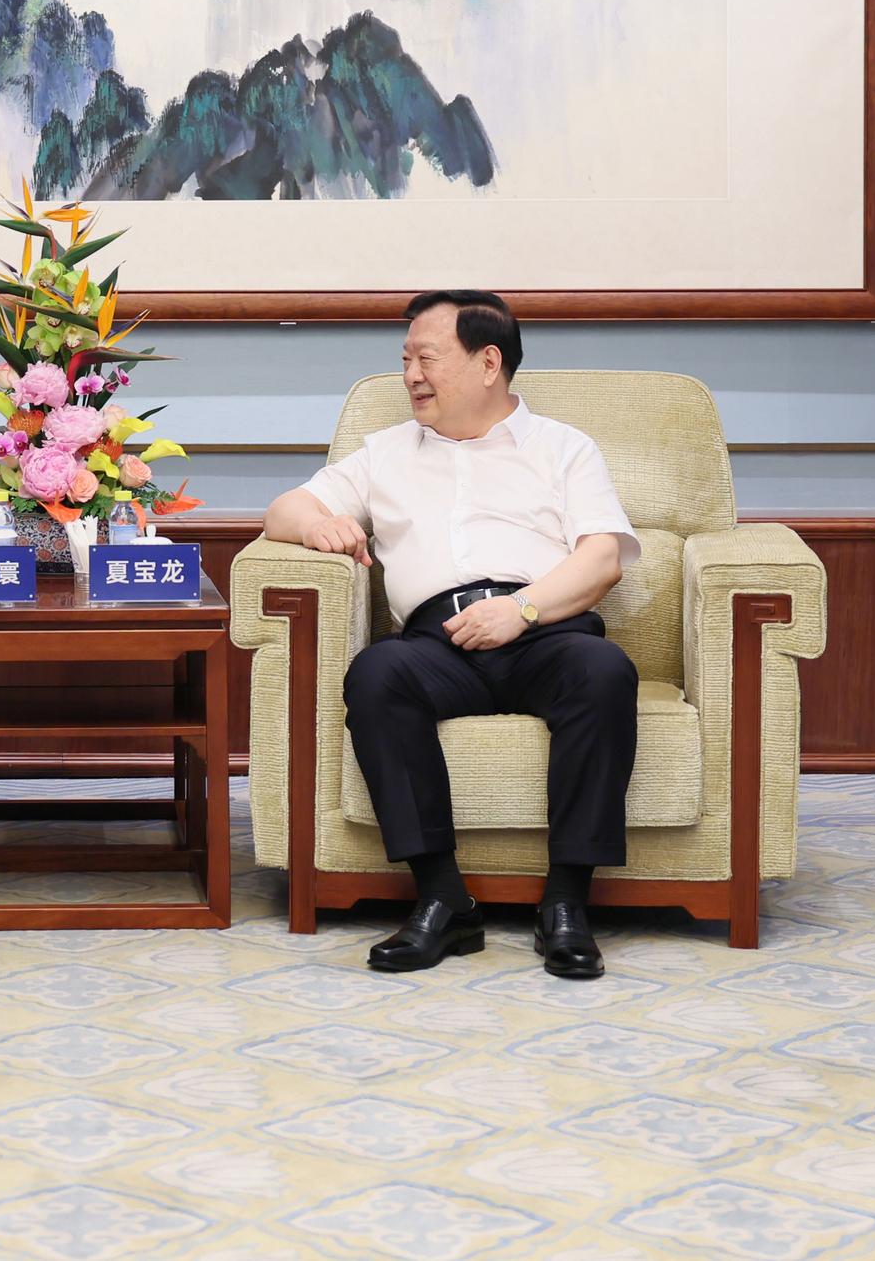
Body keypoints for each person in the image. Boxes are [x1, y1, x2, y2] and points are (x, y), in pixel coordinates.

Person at [261, 291, 641, 979]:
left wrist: (520, 611)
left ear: (488, 362)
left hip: (543, 633)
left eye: (425, 357)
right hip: (437, 644)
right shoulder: (385, 454)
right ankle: (442, 900)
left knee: (604, 670)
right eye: (405, 359)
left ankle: (566, 904)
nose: (410, 374)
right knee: (377, 676)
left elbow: (602, 558)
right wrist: (317, 525)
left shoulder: (563, 448)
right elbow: (284, 508)